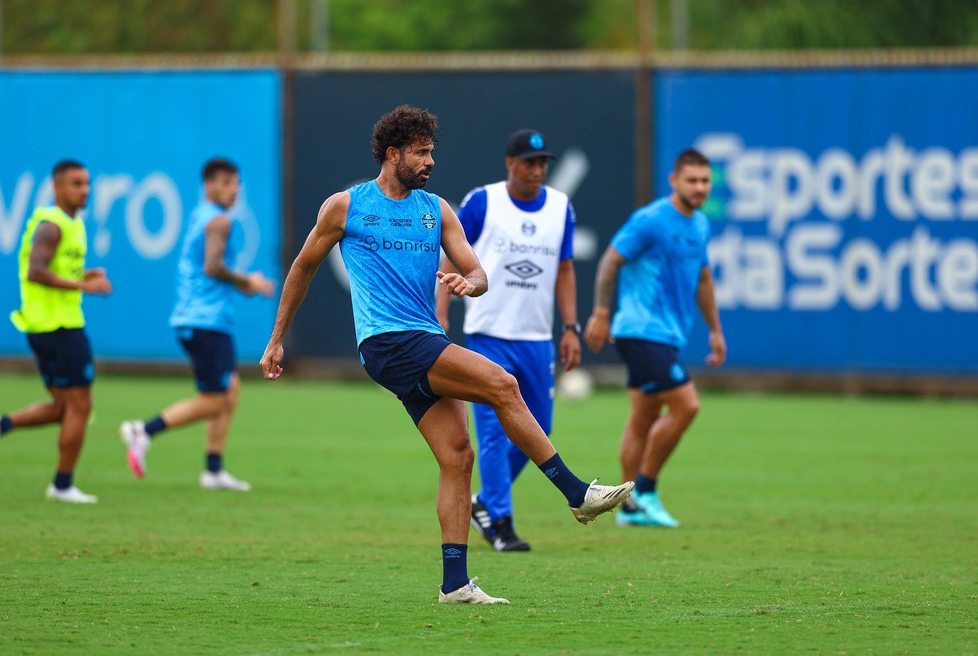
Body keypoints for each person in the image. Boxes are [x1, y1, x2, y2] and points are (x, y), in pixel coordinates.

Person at [259, 105, 633, 605]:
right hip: (388, 341)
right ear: (392, 154)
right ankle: (576, 493)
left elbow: (478, 274)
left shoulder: (437, 210)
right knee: (503, 385)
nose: (430, 161)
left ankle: (454, 584)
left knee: (458, 456)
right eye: (420, 152)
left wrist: (468, 284)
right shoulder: (346, 206)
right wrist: (276, 338)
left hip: (421, 339)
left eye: (432, 152)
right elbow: (303, 267)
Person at [435, 129, 582, 553]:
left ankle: (483, 501)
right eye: (529, 162)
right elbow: (451, 255)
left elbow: (565, 268)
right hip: (489, 333)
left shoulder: (560, 207)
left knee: (540, 427)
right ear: (510, 163)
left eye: (543, 163)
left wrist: (570, 327)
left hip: (536, 336)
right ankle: (500, 521)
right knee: (494, 435)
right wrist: (441, 311)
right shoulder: (483, 201)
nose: (537, 170)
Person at [583, 148, 726, 528]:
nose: (700, 187)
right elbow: (611, 260)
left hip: (666, 335)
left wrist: (715, 330)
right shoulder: (650, 220)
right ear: (674, 181)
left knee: (643, 417)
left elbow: (703, 279)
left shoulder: (700, 225)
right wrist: (601, 312)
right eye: (692, 180)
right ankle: (645, 490)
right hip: (642, 331)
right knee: (687, 406)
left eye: (705, 181)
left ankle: (629, 507)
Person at [120, 158, 275, 491]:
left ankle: (213, 470)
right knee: (217, 399)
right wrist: (248, 281)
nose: (233, 190)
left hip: (201, 319)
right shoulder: (219, 220)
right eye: (225, 183)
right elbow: (212, 267)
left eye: (236, 183)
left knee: (230, 390)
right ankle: (143, 431)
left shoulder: (201, 214)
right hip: (205, 321)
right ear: (209, 185)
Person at [0, 160, 113, 503]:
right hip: (58, 327)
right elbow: (36, 272)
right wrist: (83, 286)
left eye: (87, 183)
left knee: (63, 407)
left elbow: (54, 270)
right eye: (76, 184)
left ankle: (1, 425)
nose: (85, 190)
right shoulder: (52, 225)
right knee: (80, 407)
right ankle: (62, 485)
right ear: (57, 187)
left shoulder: (72, 222)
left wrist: (83, 276)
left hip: (48, 325)